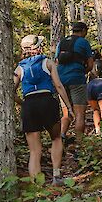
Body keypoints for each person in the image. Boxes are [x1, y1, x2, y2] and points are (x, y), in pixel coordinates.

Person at [14, 35, 68, 183]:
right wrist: (68, 107)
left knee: (34, 150)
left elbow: (10, 91)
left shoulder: (19, 68)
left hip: (29, 104)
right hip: (47, 101)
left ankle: (36, 187)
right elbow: (58, 86)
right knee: (56, 138)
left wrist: (22, 103)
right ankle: (56, 175)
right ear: (38, 47)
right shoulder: (47, 62)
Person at [55, 21, 95, 144]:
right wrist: (83, 71)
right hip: (77, 79)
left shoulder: (61, 42)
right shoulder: (84, 42)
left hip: (61, 80)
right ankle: (79, 143)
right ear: (83, 30)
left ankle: (61, 136)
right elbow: (90, 64)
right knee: (80, 114)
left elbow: (57, 62)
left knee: (66, 113)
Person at [85, 61, 102, 134]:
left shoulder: (89, 63)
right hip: (101, 84)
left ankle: (98, 130)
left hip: (90, 86)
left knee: (95, 110)